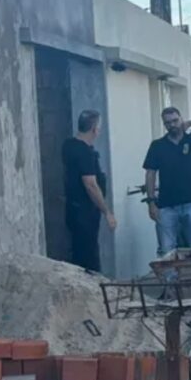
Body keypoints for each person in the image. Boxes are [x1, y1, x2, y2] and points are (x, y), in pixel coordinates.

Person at [143, 107, 191, 256]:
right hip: (166, 206)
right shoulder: (158, 145)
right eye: (168, 122)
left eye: (175, 120)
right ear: (164, 125)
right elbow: (150, 173)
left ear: (181, 119)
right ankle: (170, 279)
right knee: (167, 250)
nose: (172, 125)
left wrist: (190, 123)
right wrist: (151, 202)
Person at [62, 110, 116, 272]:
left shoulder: (68, 145)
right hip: (85, 211)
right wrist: (107, 212)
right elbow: (90, 184)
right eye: (98, 128)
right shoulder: (85, 152)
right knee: (88, 256)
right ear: (94, 129)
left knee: (79, 251)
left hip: (73, 207)